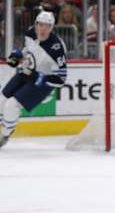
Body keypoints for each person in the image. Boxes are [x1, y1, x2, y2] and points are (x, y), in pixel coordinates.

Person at [0, 11, 67, 148]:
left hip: (41, 84)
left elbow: (61, 79)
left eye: (47, 26)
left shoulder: (57, 48)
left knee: (12, 104)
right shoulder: (31, 32)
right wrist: (17, 55)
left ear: (52, 27)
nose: (42, 29)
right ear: (36, 24)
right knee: (1, 98)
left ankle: (5, 134)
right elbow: (28, 48)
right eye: (40, 25)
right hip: (26, 72)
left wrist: (40, 77)